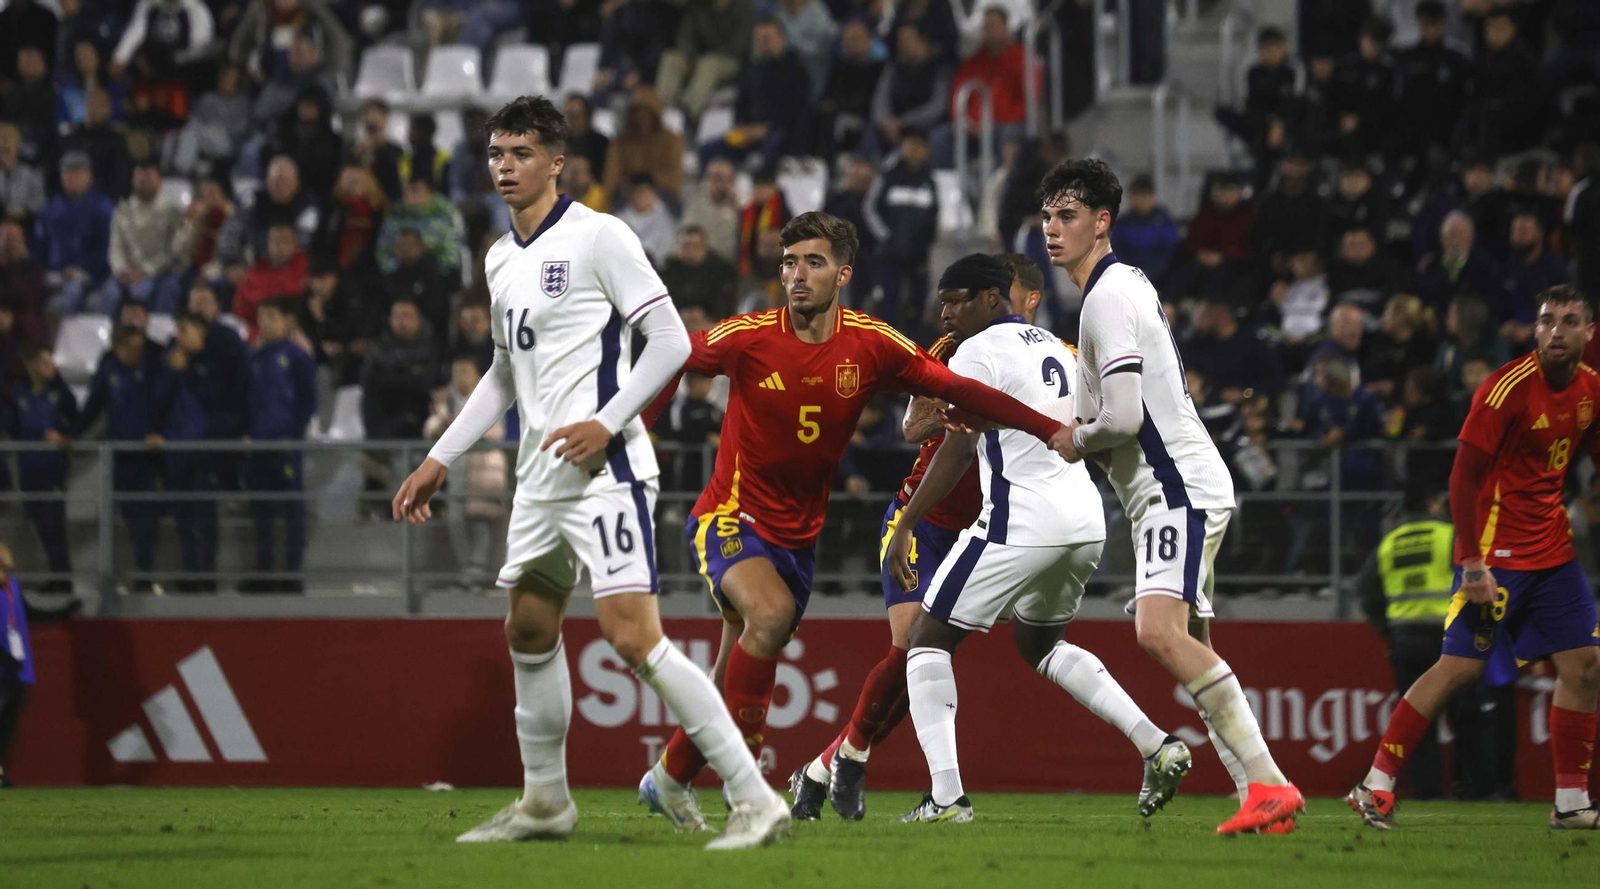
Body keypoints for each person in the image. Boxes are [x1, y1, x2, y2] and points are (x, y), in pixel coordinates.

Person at [389, 95, 789, 850]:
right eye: (497, 154)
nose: (505, 167)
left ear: (556, 162)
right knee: (530, 626)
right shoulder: (499, 255)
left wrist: (608, 421)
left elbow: (671, 342)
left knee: (632, 637)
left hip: (605, 468)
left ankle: (754, 797)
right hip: (540, 475)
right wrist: (442, 454)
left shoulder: (601, 236)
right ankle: (545, 803)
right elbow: (505, 375)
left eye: (520, 154)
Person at [633, 210, 1078, 832]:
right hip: (731, 515)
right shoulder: (749, 336)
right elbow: (672, 357)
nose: (797, 275)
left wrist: (1046, 425)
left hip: (799, 537)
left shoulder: (872, 344)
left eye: (813, 262)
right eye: (789, 263)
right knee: (767, 618)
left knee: (737, 664)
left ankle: (670, 778)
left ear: (842, 273)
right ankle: (752, 796)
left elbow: (960, 391)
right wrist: (633, 440)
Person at [1035, 158, 1303, 833]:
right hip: (1173, 486)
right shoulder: (1118, 288)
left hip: (1173, 489)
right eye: (1045, 215)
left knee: (1156, 631)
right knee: (1191, 645)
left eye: (1066, 215)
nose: (1051, 228)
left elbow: (1122, 419)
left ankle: (1269, 784)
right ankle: (1260, 797)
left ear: (1102, 222)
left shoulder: (1107, 296)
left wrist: (1075, 437)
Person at [880, 253, 1189, 824]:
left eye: (958, 300)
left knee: (926, 640)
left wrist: (904, 525)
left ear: (992, 300)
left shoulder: (978, 351)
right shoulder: (1055, 346)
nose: (945, 313)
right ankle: (1156, 743)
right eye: (942, 302)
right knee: (1039, 645)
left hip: (1020, 521)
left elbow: (954, 447)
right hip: (1084, 522)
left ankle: (947, 798)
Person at [1349, 285, 1600, 831]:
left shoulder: (1590, 390)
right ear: (1534, 330)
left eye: (1570, 320)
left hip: (1553, 553)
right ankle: (1376, 783)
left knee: (1585, 666)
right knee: (1458, 668)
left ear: (1589, 332)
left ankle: (1573, 801)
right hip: (1498, 552)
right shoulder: (1506, 388)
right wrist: (1473, 562)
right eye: (1546, 320)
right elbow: (1462, 477)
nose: (1557, 331)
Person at [1353, 485, 1460, 800]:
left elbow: (1365, 588)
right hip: (1448, 640)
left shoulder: (1390, 543)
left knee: (1416, 713)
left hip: (1406, 639)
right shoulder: (1449, 535)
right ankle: (1471, 785)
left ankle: (1427, 788)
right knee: (1466, 714)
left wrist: (1388, 630)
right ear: (1432, 502)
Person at [157, 312, 242, 592]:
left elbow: (217, 399)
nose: (179, 337)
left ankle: (207, 574)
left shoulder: (212, 363)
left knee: (205, 515)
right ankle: (190, 572)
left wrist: (189, 371)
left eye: (185, 330)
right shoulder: (169, 363)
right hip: (176, 452)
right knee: (182, 515)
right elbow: (159, 401)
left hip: (205, 451)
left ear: (201, 332)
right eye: (177, 330)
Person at [77, 325, 165, 592]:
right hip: (119, 458)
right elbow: (94, 406)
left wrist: (161, 433)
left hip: (148, 458)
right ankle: (125, 575)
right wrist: (72, 434)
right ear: (118, 349)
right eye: (133, 347)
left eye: (141, 347)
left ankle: (147, 573)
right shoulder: (110, 371)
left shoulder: (153, 370)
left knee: (148, 517)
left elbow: (167, 404)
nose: (139, 352)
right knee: (125, 517)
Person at [243, 298, 317, 593]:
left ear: (287, 321)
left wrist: (293, 434)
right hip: (257, 446)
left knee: (291, 511)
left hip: (286, 446)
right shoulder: (253, 358)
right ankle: (263, 574)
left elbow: (307, 401)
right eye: (262, 317)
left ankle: (291, 574)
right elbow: (246, 401)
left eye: (272, 317)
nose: (266, 323)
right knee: (261, 512)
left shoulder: (297, 358)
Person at [10, 346, 78, 593]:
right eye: (43, 362)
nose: (49, 367)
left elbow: (75, 421)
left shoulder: (60, 393)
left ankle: (63, 578)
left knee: (54, 524)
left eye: (51, 362)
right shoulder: (19, 393)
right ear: (31, 366)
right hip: (29, 468)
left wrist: (65, 437)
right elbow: (13, 426)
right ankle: (56, 575)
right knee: (41, 525)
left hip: (53, 469)